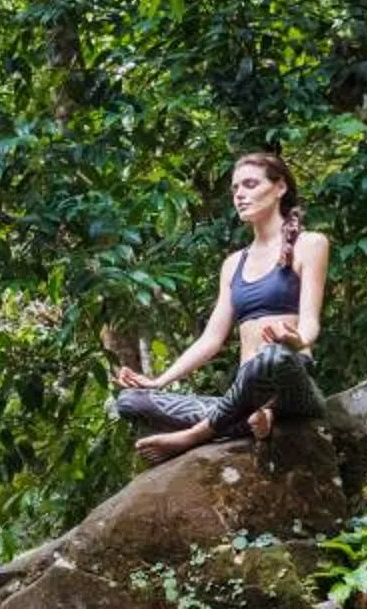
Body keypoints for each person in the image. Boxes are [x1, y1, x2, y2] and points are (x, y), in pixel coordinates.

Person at [111, 151, 331, 460]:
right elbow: (211, 339)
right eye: (235, 188)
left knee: (272, 356)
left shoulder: (310, 244)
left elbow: (310, 321)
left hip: (291, 384)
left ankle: (196, 435)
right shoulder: (233, 264)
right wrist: (158, 381)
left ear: (280, 187)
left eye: (250, 184)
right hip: (244, 395)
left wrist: (298, 340)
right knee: (130, 401)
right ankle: (253, 420)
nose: (240, 194)